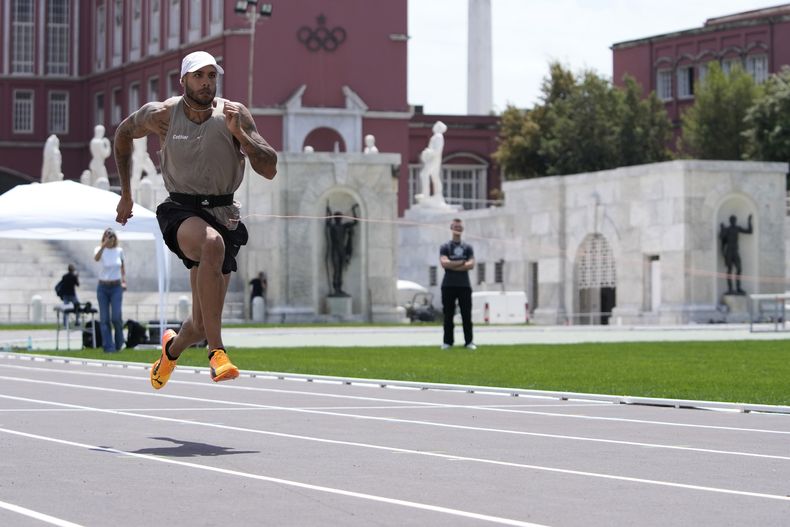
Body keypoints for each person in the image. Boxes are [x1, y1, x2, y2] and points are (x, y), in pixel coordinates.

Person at [113, 50, 277, 389]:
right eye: (198, 76)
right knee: (210, 244)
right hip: (181, 210)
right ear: (183, 79)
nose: (206, 83)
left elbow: (270, 167)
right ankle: (218, 354)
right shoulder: (162, 114)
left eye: (211, 76)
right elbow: (123, 135)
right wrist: (126, 193)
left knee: (202, 322)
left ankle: (170, 351)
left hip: (223, 212)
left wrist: (242, 137)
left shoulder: (233, 114)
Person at [439, 218, 476, 350]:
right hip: (448, 285)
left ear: (462, 229)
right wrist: (462, 262)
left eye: (459, 227)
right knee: (448, 315)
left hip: (464, 286)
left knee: (466, 315)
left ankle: (469, 342)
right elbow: (444, 263)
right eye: (455, 227)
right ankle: (448, 342)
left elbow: (471, 264)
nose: (457, 229)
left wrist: (452, 265)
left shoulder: (467, 247)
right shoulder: (445, 247)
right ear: (451, 228)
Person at [94, 228, 126, 352]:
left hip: (116, 287)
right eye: (107, 236)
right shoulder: (99, 249)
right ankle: (109, 347)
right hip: (102, 287)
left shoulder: (119, 251)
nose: (110, 238)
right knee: (104, 318)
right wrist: (103, 245)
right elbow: (96, 258)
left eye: (111, 236)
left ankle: (119, 343)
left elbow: (122, 266)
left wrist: (124, 280)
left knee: (116, 317)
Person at [325, 203, 359, 297]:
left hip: (342, 250)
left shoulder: (344, 226)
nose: (339, 219)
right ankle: (336, 289)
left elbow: (356, 222)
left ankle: (339, 289)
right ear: (335, 218)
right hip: (335, 250)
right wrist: (328, 212)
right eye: (337, 217)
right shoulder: (332, 226)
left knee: (340, 271)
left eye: (340, 217)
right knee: (336, 270)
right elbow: (327, 222)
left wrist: (353, 210)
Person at [720, 214, 753, 295]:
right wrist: (722, 229)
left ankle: (738, 288)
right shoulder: (727, 229)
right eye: (732, 220)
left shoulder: (737, 228)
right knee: (729, 270)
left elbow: (749, 231)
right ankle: (730, 289)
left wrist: (749, 221)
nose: (733, 221)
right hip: (729, 251)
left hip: (735, 251)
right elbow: (721, 239)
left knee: (739, 269)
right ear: (730, 221)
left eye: (734, 220)